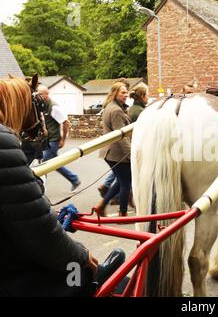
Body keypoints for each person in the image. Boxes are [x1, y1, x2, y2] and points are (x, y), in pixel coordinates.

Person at [0, 77, 125, 296]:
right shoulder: (4, 143)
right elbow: (40, 232)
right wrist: (81, 256)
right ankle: (91, 279)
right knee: (84, 272)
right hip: (13, 277)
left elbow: (15, 205)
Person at [94, 82, 132, 217]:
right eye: (123, 92)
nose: (126, 95)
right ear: (115, 93)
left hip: (110, 152)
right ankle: (123, 213)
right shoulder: (116, 110)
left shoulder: (111, 107)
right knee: (126, 183)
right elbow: (120, 135)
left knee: (121, 181)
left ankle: (101, 205)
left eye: (127, 92)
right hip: (117, 153)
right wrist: (131, 154)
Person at [38, 85, 81, 192]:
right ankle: (74, 179)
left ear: (46, 94)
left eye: (40, 94)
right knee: (54, 163)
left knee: (45, 163)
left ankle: (40, 188)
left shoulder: (54, 107)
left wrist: (63, 139)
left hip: (53, 140)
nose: (37, 96)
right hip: (47, 140)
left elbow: (65, 122)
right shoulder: (42, 105)